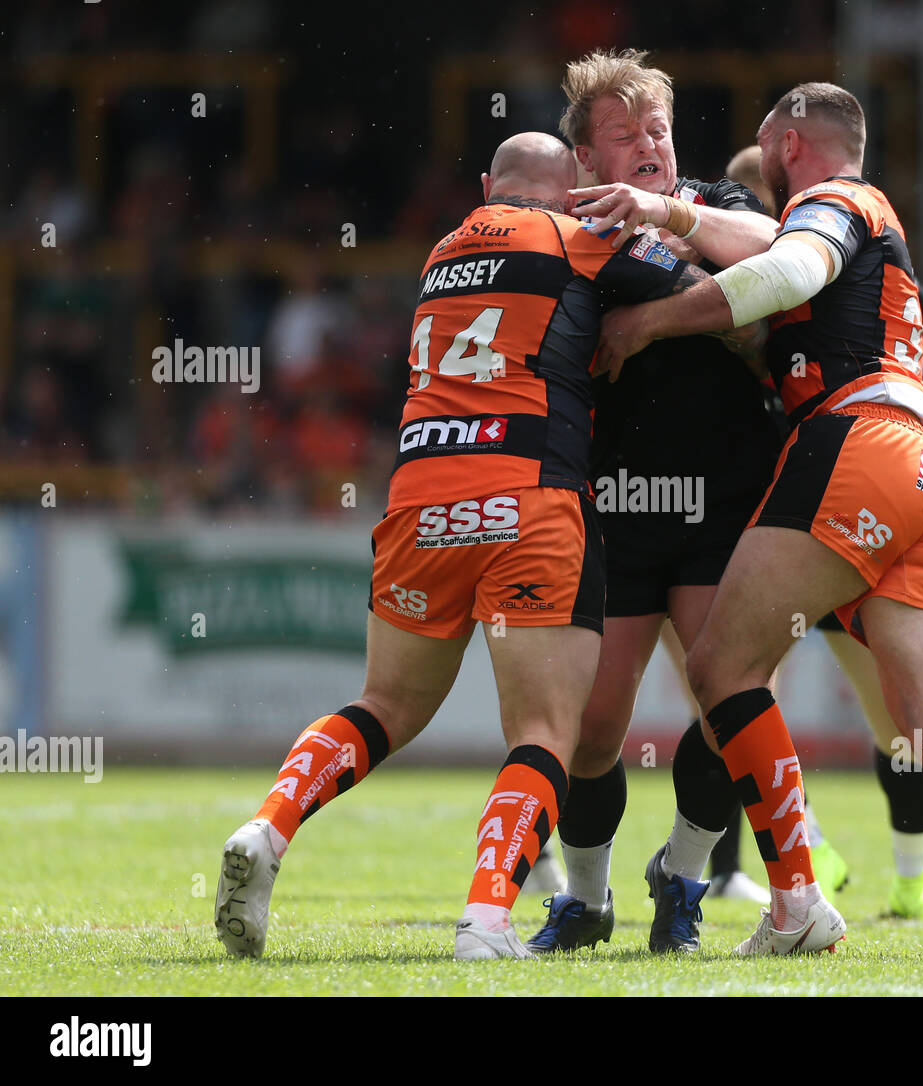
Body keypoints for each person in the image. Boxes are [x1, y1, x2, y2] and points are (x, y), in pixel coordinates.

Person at [212, 131, 732, 962]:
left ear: (488, 185)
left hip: (420, 499)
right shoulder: (581, 236)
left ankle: (268, 828)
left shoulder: (440, 252)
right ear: (573, 193)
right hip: (528, 494)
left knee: (383, 706)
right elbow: (720, 289)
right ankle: (487, 920)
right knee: (543, 731)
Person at [595, 83, 923, 959]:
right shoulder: (883, 248)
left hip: (854, 445)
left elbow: (785, 271)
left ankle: (796, 900)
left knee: (721, 668)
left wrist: (650, 322)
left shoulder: (836, 200)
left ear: (788, 144)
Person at [524, 48, 805, 955]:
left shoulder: (719, 205)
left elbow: (774, 264)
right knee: (594, 728)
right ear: (587, 160)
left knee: (730, 708)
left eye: (658, 129)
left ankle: (683, 880)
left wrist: (663, 237)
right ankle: (588, 896)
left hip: (727, 499)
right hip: (614, 499)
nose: (648, 144)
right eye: (626, 134)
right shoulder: (565, 232)